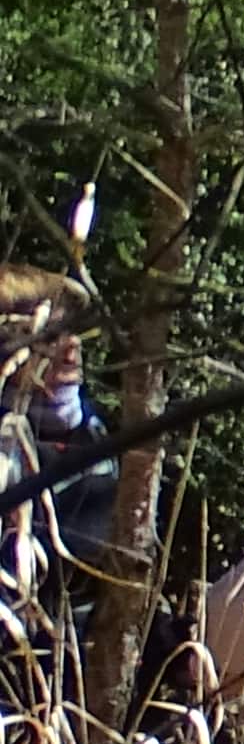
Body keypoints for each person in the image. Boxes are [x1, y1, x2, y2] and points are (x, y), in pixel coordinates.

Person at [0, 267, 119, 696]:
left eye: (75, 334)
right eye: (52, 336)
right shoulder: (6, 447)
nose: (72, 348)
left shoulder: (99, 437)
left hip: (79, 688)